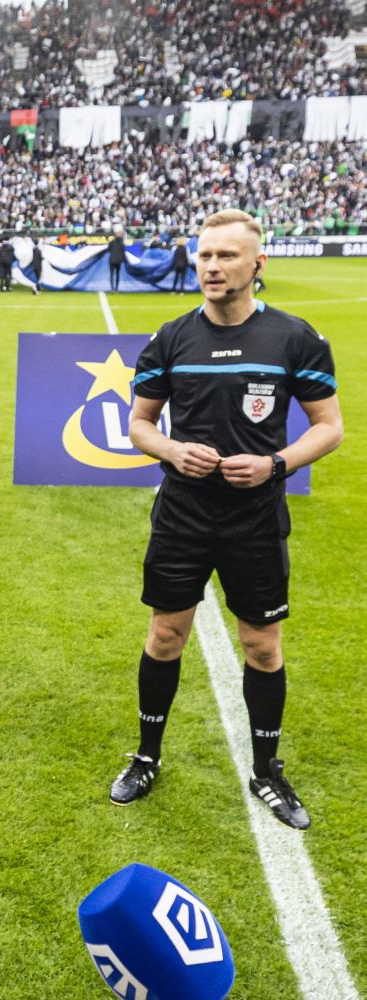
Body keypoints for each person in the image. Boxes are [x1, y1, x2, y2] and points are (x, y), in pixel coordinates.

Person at [108, 209, 342, 830]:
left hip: (256, 521)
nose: (212, 266)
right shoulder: (170, 338)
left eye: (227, 256)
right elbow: (138, 425)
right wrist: (171, 449)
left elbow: (330, 428)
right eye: (206, 255)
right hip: (182, 516)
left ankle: (268, 770)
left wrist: (276, 463)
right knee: (165, 636)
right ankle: (146, 756)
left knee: (262, 646)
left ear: (257, 264)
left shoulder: (296, 338)